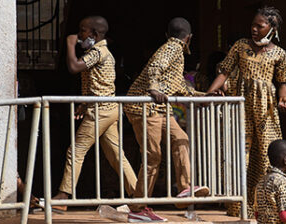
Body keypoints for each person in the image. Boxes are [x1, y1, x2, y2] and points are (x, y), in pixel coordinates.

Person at [50, 16, 142, 211]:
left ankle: (64, 196)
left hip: (100, 111)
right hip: (108, 108)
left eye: (82, 31)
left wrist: (69, 44)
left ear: (94, 34)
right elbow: (97, 84)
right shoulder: (102, 52)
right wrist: (84, 104)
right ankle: (138, 196)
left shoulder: (98, 52)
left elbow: (74, 67)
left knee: (76, 150)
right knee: (116, 155)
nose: (79, 35)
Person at [205, 6, 286, 201]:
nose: (254, 29)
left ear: (272, 29)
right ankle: (237, 205)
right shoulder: (240, 46)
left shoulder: (279, 54)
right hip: (241, 109)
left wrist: (283, 98)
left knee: (266, 155)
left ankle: (263, 204)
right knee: (239, 155)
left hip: (266, 111)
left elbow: (282, 83)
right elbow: (224, 72)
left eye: (259, 26)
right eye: (253, 25)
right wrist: (209, 93)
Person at [125, 17, 209, 205]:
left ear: (166, 34)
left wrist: (205, 96)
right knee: (153, 157)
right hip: (145, 108)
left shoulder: (174, 51)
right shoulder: (173, 48)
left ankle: (185, 188)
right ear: (189, 38)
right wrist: (154, 89)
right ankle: (138, 206)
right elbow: (156, 67)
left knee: (181, 139)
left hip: (161, 109)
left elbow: (181, 88)